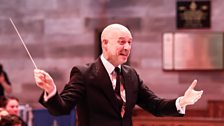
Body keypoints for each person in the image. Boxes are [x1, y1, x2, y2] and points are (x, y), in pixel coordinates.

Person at [34, 23, 203, 126]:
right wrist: (51, 90)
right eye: (122, 42)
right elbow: (61, 109)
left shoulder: (131, 75)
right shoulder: (84, 74)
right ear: (105, 43)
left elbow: (155, 106)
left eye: (130, 42)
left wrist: (182, 101)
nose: (127, 47)